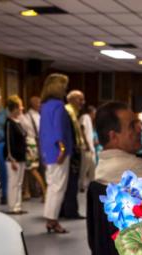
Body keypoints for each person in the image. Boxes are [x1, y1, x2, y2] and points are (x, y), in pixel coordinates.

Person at [39, 73, 73, 234]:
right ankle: (53, 220)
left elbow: (44, 130)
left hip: (47, 150)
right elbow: (58, 128)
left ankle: (49, 219)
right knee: (58, 187)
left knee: (52, 185)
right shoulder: (58, 106)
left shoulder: (44, 105)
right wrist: (63, 149)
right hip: (58, 150)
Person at [95, 101, 142, 188]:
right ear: (113, 136)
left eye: (138, 123)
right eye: (132, 125)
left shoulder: (101, 168)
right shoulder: (138, 169)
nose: (139, 129)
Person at [60, 90, 85, 219]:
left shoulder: (72, 113)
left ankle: (66, 209)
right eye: (80, 99)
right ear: (72, 100)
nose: (82, 102)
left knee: (70, 182)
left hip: (73, 151)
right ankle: (70, 211)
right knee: (71, 182)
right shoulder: (68, 112)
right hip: (71, 152)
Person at [4, 95, 27, 214]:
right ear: (15, 108)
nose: (22, 108)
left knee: (19, 183)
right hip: (13, 158)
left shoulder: (19, 122)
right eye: (20, 106)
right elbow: (9, 142)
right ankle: (12, 206)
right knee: (13, 183)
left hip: (21, 157)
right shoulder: (9, 123)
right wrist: (11, 158)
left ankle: (18, 206)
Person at [20, 95, 46, 201]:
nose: (40, 105)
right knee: (29, 169)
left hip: (37, 143)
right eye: (38, 103)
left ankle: (43, 191)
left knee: (34, 168)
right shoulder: (26, 116)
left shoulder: (39, 116)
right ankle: (27, 191)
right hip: (31, 144)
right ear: (33, 104)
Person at [79, 104, 96, 192]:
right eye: (94, 113)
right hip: (86, 147)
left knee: (92, 166)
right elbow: (82, 129)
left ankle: (91, 184)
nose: (95, 115)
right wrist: (87, 144)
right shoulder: (85, 117)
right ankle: (81, 185)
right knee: (85, 167)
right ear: (91, 112)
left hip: (90, 147)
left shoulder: (89, 120)